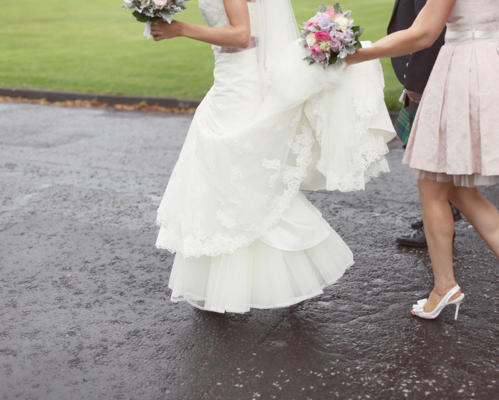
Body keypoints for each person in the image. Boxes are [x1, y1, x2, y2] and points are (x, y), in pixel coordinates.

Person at [150, 0, 395, 313]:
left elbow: (241, 34)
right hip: (232, 75)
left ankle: (264, 277)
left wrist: (180, 29)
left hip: (240, 80)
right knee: (237, 176)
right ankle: (239, 280)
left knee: (234, 175)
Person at [347, 0, 499, 323]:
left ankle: (445, 287)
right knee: (460, 191)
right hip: (485, 65)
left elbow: (424, 34)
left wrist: (356, 54)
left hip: (463, 70)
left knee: (431, 187)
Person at [387, 0, 462, 248]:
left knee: (430, 161)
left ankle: (442, 219)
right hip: (431, 69)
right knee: (430, 159)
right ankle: (440, 214)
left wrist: (417, 81)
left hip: (429, 71)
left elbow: (432, 31)